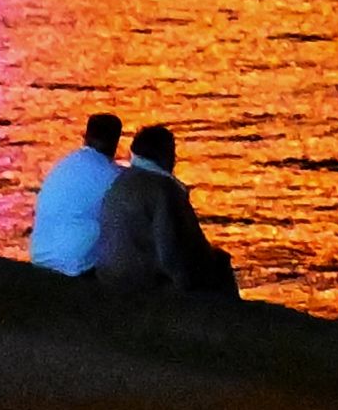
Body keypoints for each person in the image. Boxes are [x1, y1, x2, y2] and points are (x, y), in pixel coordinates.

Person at [81, 122, 237, 301]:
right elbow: (168, 250)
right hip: (137, 282)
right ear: (166, 155)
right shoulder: (163, 189)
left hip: (108, 273)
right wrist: (185, 281)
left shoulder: (120, 180)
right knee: (220, 263)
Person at [28, 111, 124, 274]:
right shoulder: (113, 176)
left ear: (85, 137)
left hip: (39, 255)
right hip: (75, 266)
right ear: (116, 142)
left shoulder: (64, 164)